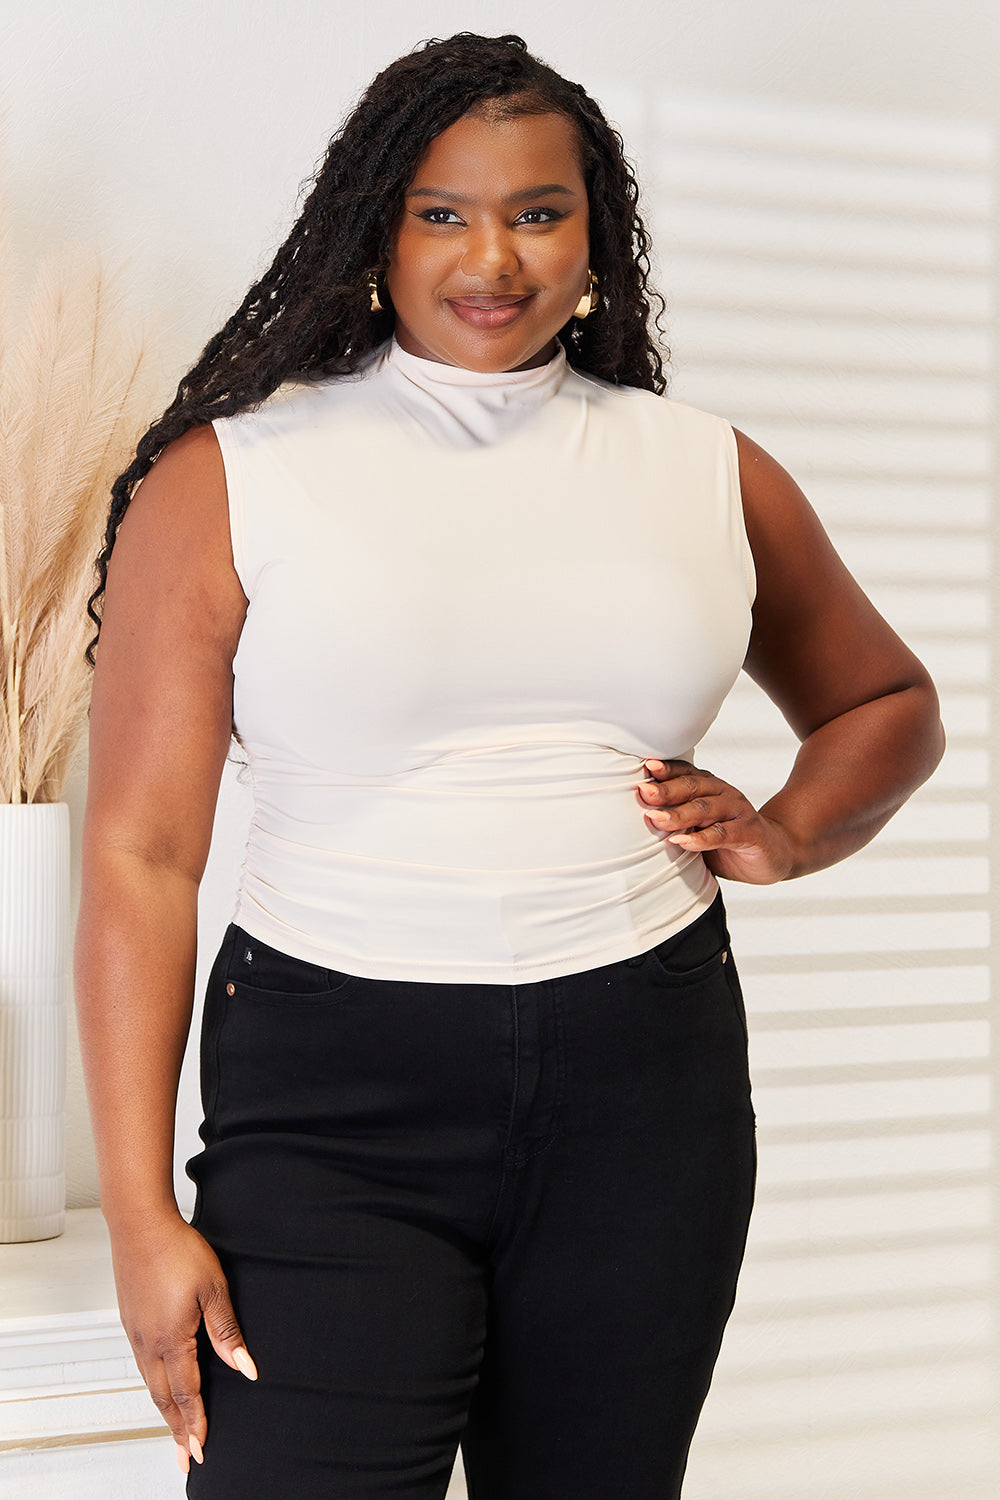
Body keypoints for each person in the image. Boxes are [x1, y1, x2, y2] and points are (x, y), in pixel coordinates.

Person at [74, 31, 944, 1500]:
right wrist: (136, 1216)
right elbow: (141, 857)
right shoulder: (233, 474)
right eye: (443, 212)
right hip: (331, 1090)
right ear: (376, 230)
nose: (496, 256)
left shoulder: (701, 466)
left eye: (539, 212)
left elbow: (887, 700)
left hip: (644, 1080)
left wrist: (789, 830)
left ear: (593, 233)